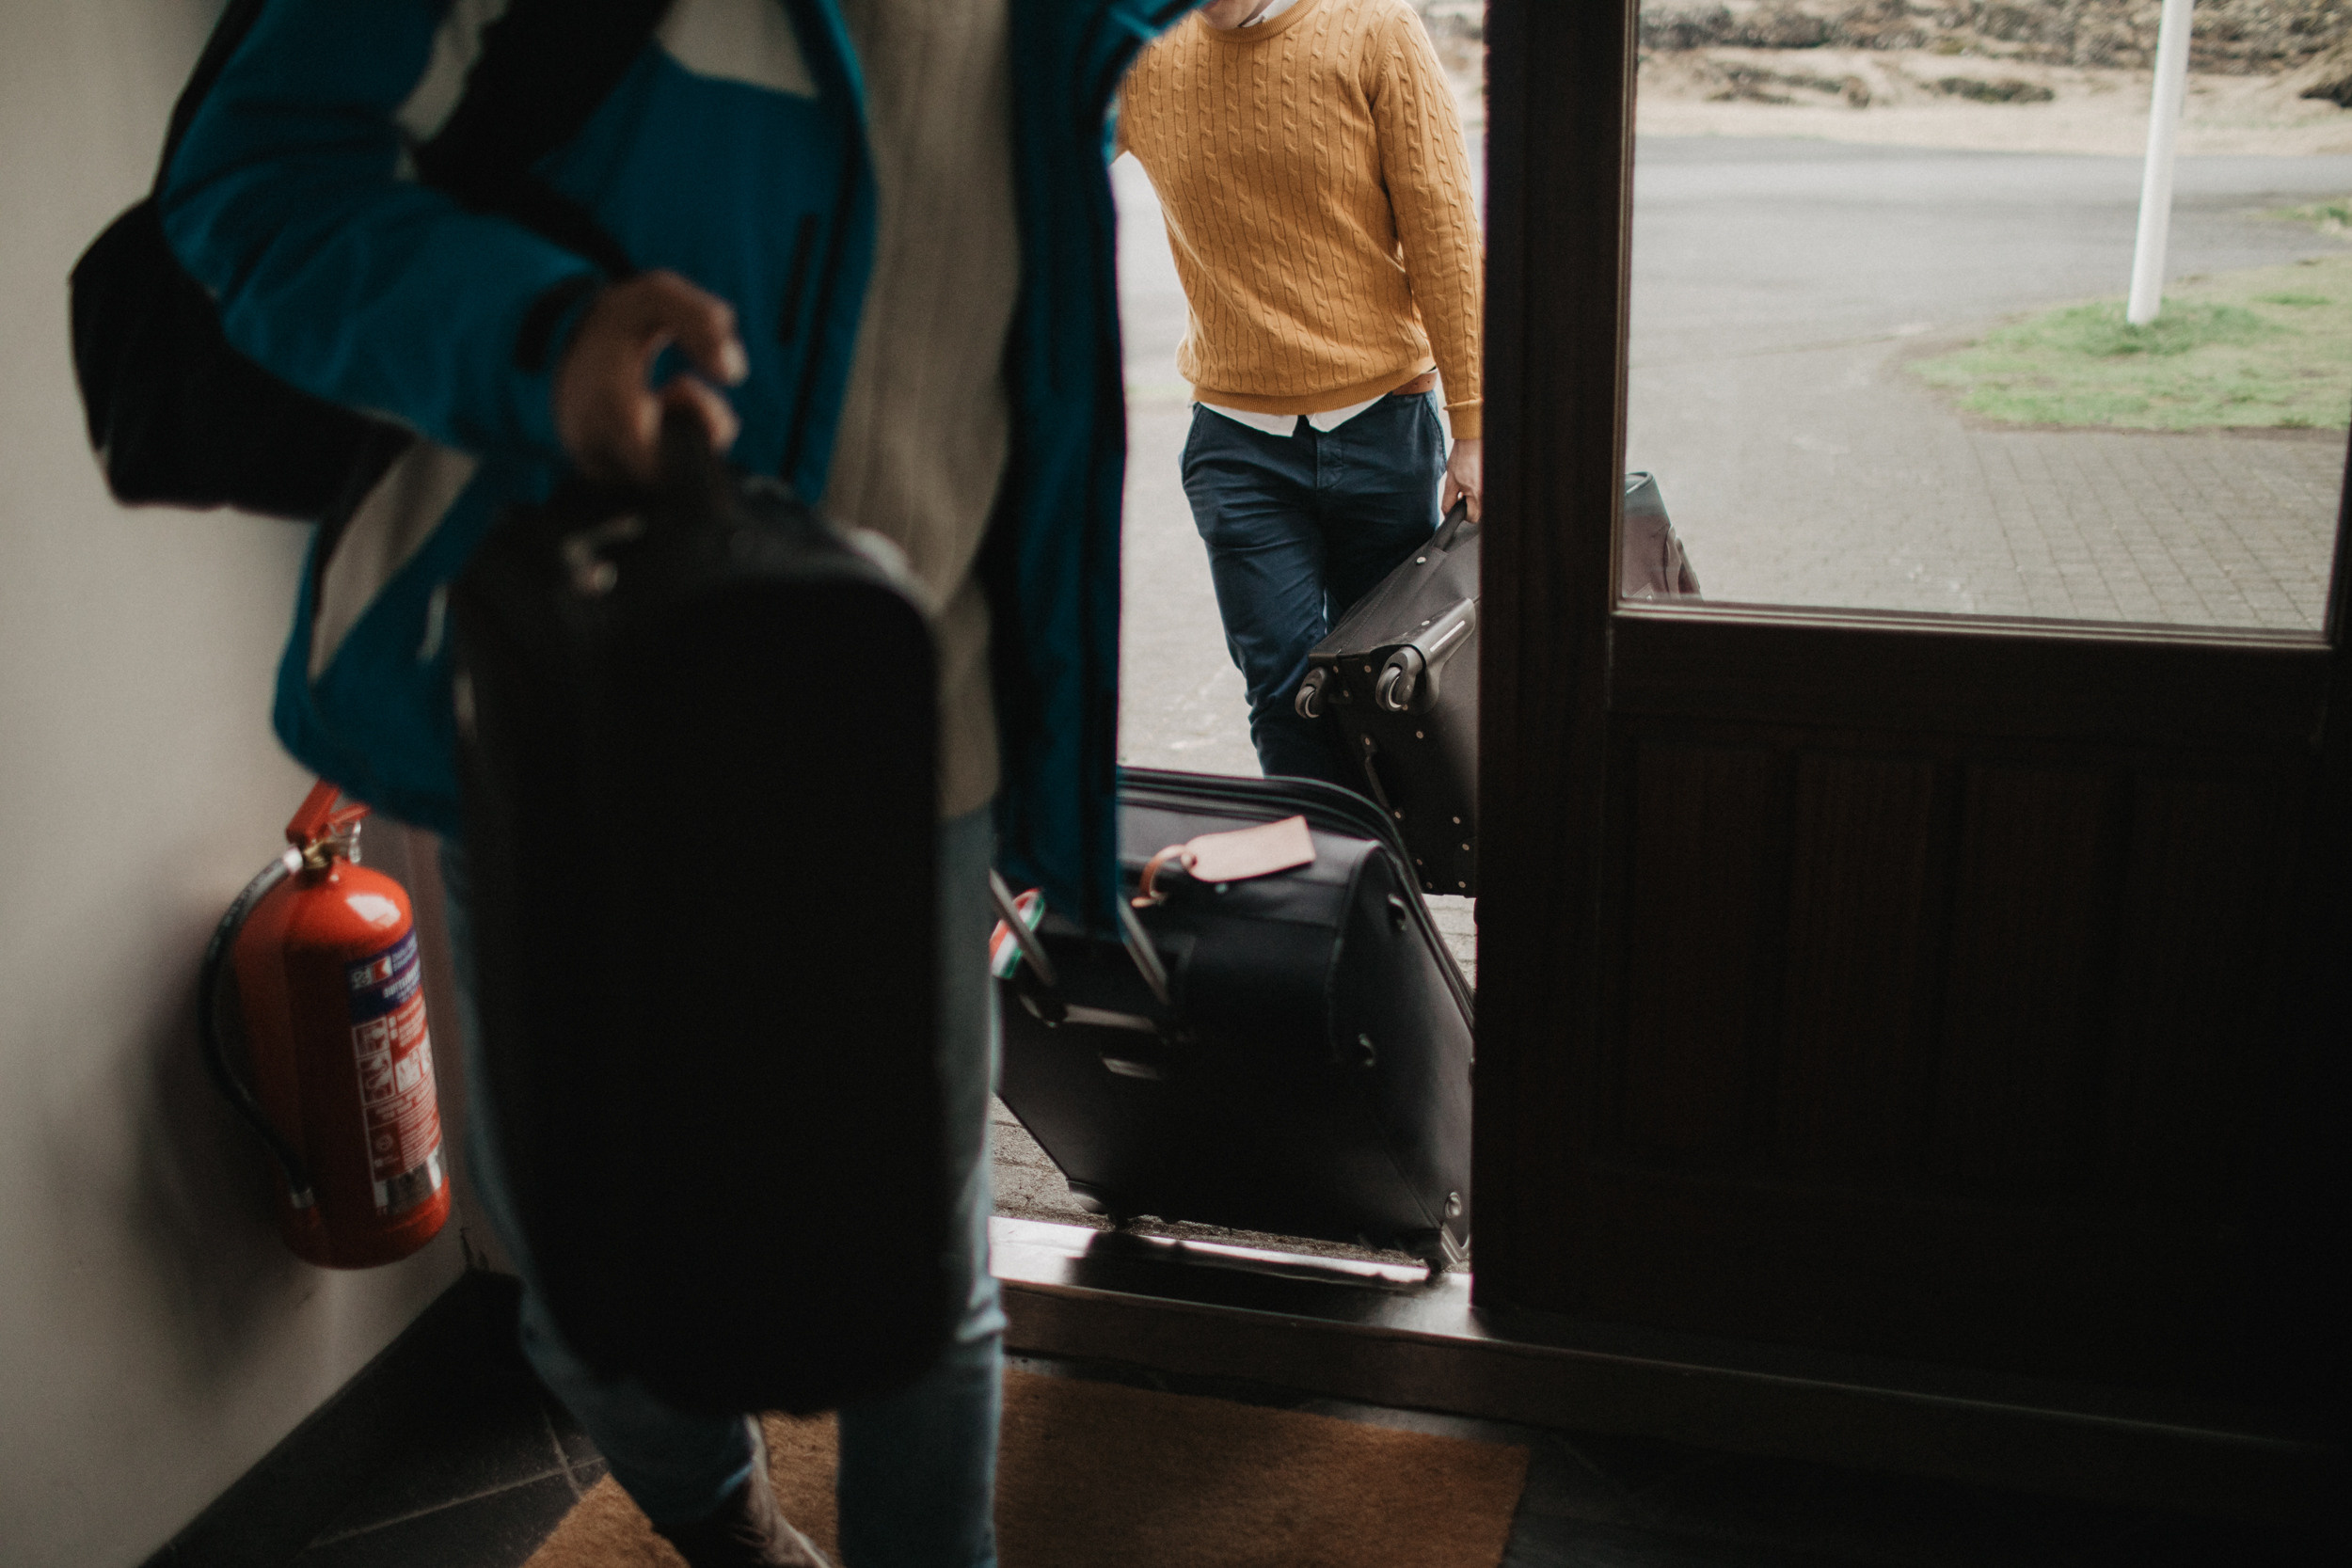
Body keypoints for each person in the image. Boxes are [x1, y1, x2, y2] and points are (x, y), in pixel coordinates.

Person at [160, 2, 1184, 1564]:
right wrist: (540, 335)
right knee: (587, 1292)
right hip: (586, 729)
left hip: (920, 726)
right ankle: (728, 1530)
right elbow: (256, 183)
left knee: (922, 1272)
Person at [1116, 0, 1485, 791]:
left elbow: (1444, 234)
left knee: (1392, 693)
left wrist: (1474, 425)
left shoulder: (1377, 30)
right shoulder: (1143, 54)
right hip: (1236, 443)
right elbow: (1030, 138)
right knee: (1282, 696)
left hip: (1386, 426)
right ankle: (1328, 896)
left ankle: (1384, 894)